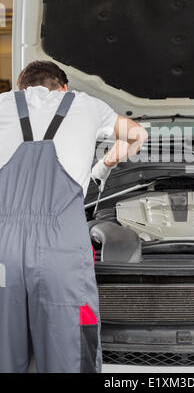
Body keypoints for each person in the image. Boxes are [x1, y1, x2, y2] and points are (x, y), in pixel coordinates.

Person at [0, 60, 148, 373]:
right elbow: (138, 134)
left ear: (19, 89)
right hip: (62, 250)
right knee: (68, 351)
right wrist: (104, 165)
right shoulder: (86, 105)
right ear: (64, 88)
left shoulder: (1, 104)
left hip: (2, 251)